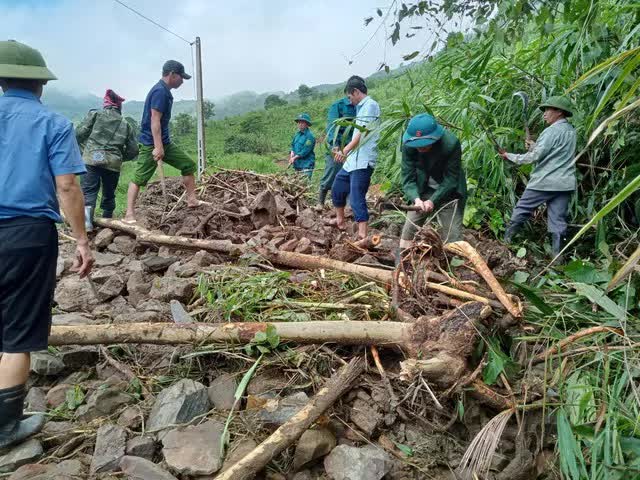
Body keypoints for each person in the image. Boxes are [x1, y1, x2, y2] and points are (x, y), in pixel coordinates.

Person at [0, 40, 93, 448]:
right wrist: (82, 241)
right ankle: (5, 428)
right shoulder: (53, 124)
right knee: (18, 332)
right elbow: (68, 186)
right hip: (27, 236)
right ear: (40, 84)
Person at [124, 60, 202, 223]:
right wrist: (158, 147)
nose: (182, 81)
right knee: (139, 178)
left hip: (164, 142)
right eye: (181, 77)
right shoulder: (160, 91)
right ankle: (129, 215)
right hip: (150, 143)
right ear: (172, 74)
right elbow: (155, 120)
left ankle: (192, 200)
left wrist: (163, 144)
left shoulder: (165, 91)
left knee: (188, 165)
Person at [499, 96, 577, 256]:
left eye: (548, 110)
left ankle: (504, 245)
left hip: (544, 182)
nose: (544, 114)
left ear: (559, 112)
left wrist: (510, 156)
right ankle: (558, 260)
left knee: (521, 210)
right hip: (565, 183)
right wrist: (534, 146)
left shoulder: (550, 131)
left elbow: (534, 157)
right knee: (558, 221)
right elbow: (555, 152)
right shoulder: (571, 131)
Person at [398, 114, 467, 255]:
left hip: (448, 192)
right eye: (417, 145)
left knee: (452, 236)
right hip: (422, 191)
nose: (420, 148)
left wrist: (433, 201)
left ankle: (453, 267)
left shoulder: (450, 143)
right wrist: (416, 199)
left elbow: (451, 179)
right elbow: (408, 178)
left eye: (423, 145)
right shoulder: (408, 144)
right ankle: (403, 262)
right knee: (409, 228)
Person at [330, 76, 380, 239]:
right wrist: (347, 153)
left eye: (350, 97)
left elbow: (362, 132)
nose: (350, 101)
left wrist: (344, 150)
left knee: (357, 196)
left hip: (363, 160)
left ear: (356, 92)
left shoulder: (370, 105)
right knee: (337, 187)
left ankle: (362, 235)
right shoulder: (361, 107)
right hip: (353, 159)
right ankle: (340, 220)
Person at [76, 89, 139, 219]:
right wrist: (119, 157)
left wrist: (85, 150)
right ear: (119, 106)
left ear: (106, 103)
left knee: (88, 191)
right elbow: (133, 150)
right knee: (109, 194)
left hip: (91, 160)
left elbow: (79, 134)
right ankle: (107, 222)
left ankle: (87, 224)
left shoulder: (95, 114)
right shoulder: (126, 124)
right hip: (113, 163)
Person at [317, 96, 356, 206]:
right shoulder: (338, 105)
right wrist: (335, 145)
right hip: (337, 145)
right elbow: (332, 126)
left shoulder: (360, 105)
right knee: (332, 170)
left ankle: (349, 204)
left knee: (351, 173)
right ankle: (320, 201)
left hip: (352, 146)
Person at [289, 113, 316, 178]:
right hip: (297, 165)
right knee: (298, 185)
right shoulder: (297, 134)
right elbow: (292, 145)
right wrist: (292, 152)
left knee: (304, 184)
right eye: (299, 122)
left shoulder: (310, 136)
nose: (300, 124)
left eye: (302, 122)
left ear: (307, 124)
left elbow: (305, 150)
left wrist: (294, 158)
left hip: (306, 165)